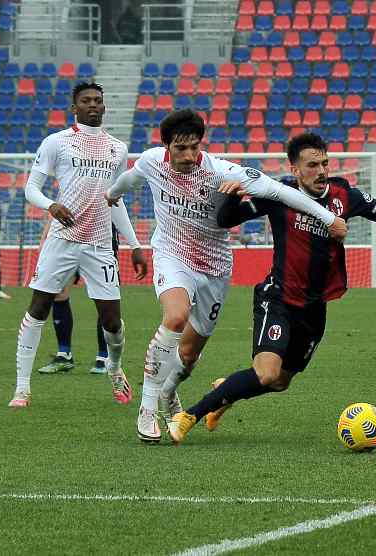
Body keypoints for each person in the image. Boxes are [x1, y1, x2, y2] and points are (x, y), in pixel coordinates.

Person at [166, 132, 376, 443]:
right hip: (277, 297)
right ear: (294, 170)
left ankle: (229, 390)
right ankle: (189, 416)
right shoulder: (277, 194)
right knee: (266, 373)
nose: (321, 171)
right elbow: (225, 220)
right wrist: (229, 194)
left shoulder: (344, 196)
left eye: (324, 163)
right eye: (312, 165)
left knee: (280, 382)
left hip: (314, 306)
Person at [105, 110, 348, 443]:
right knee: (175, 317)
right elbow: (130, 179)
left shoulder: (221, 170)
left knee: (189, 355)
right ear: (166, 148)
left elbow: (279, 191)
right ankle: (147, 409)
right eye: (181, 149)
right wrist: (112, 193)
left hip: (215, 267)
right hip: (173, 256)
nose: (189, 156)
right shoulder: (151, 162)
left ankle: (169, 392)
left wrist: (325, 217)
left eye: (195, 148)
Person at [8, 82, 137, 408]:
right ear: (74, 107)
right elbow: (31, 189)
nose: (93, 105)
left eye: (97, 100)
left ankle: (115, 366)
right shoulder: (57, 142)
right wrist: (51, 205)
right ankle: (22, 388)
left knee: (111, 320)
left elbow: (115, 200)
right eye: (86, 101)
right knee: (38, 307)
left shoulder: (117, 149)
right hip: (62, 240)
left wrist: (134, 244)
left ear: (104, 107)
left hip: (99, 243)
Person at [38, 224, 147, 375]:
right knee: (59, 294)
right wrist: (46, 236)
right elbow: (58, 204)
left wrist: (134, 245)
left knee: (104, 300)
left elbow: (116, 205)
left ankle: (103, 357)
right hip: (70, 234)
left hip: (101, 236)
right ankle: (64, 355)